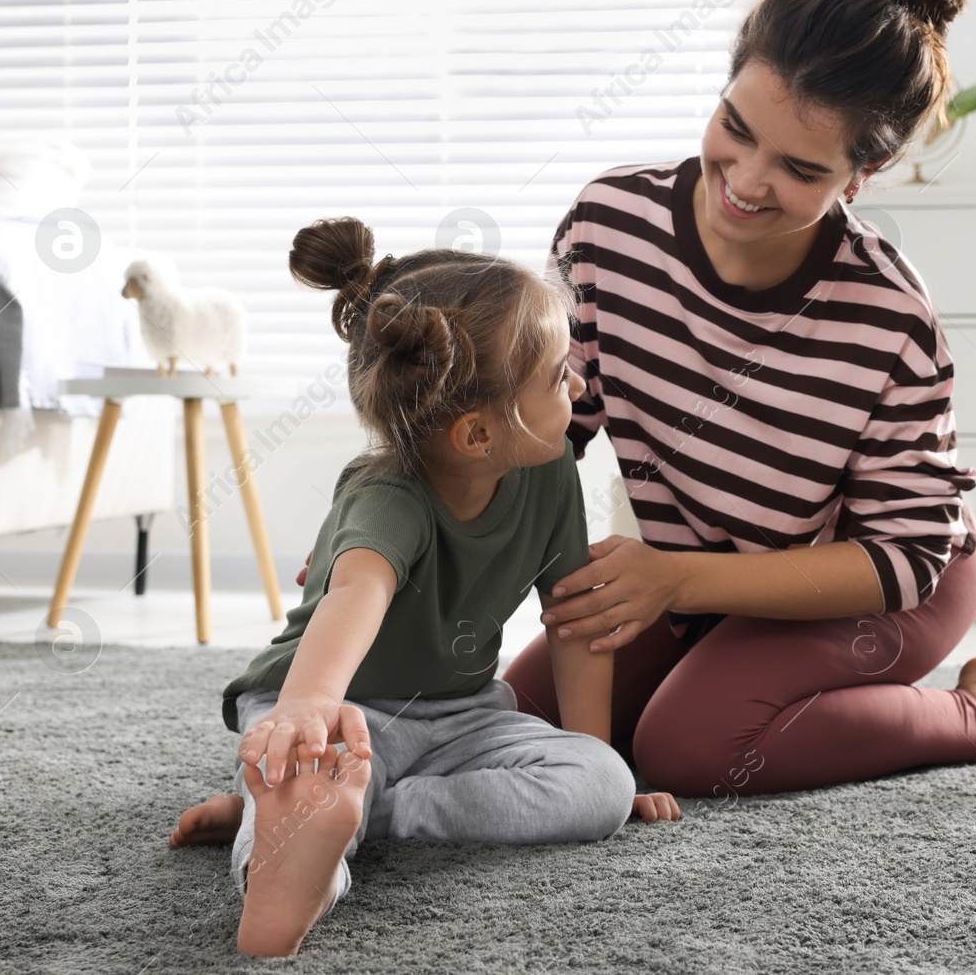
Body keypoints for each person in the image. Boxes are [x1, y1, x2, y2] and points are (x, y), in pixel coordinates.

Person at [500, 0, 976, 799]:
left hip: (886, 582)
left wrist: (674, 576)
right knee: (513, 727)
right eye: (734, 128)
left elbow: (903, 556)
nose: (742, 180)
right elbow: (555, 430)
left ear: (866, 171)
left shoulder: (889, 317)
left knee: (692, 746)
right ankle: (716, 655)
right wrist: (411, 524)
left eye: (797, 167)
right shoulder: (606, 228)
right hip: (699, 566)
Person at [168, 217, 679, 958]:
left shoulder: (552, 473)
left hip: (462, 717)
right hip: (335, 708)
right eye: (557, 375)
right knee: (303, 781)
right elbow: (355, 595)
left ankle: (357, 811)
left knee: (599, 782)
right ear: (476, 434)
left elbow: (576, 616)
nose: (578, 382)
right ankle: (280, 862)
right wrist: (308, 708)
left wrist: (592, 756)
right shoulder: (386, 492)